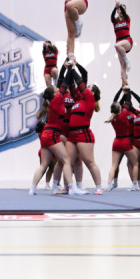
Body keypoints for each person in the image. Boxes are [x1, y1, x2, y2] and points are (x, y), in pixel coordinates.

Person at [29, 65, 86, 196]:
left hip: (46, 134)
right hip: (52, 134)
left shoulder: (54, 101)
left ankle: (32, 189)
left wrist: (65, 68)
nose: (58, 89)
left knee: (44, 165)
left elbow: (62, 83)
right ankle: (72, 188)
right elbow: (64, 83)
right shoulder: (55, 101)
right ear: (54, 94)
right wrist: (70, 69)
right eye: (56, 89)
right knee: (66, 160)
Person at [64, 62, 104, 195]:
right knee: (68, 162)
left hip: (83, 134)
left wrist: (73, 67)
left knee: (89, 162)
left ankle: (99, 186)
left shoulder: (90, 99)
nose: (86, 87)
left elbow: (80, 82)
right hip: (72, 135)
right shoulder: (78, 99)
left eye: (89, 87)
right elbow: (71, 85)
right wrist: (68, 69)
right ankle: (73, 187)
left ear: (93, 92)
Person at [105, 94, 140, 191]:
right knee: (135, 163)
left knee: (114, 166)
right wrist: (127, 92)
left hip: (116, 142)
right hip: (125, 142)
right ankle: (135, 185)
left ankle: (109, 184)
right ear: (120, 109)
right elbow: (128, 101)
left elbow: (117, 103)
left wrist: (122, 92)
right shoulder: (124, 114)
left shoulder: (112, 118)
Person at [111, 2, 132, 86]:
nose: (121, 11)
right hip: (119, 41)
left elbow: (123, 12)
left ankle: (127, 60)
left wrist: (120, 6)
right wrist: (115, 8)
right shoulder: (115, 21)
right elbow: (111, 16)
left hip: (127, 41)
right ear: (117, 11)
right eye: (119, 10)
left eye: (122, 9)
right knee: (122, 66)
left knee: (116, 45)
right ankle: (124, 83)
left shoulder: (127, 19)